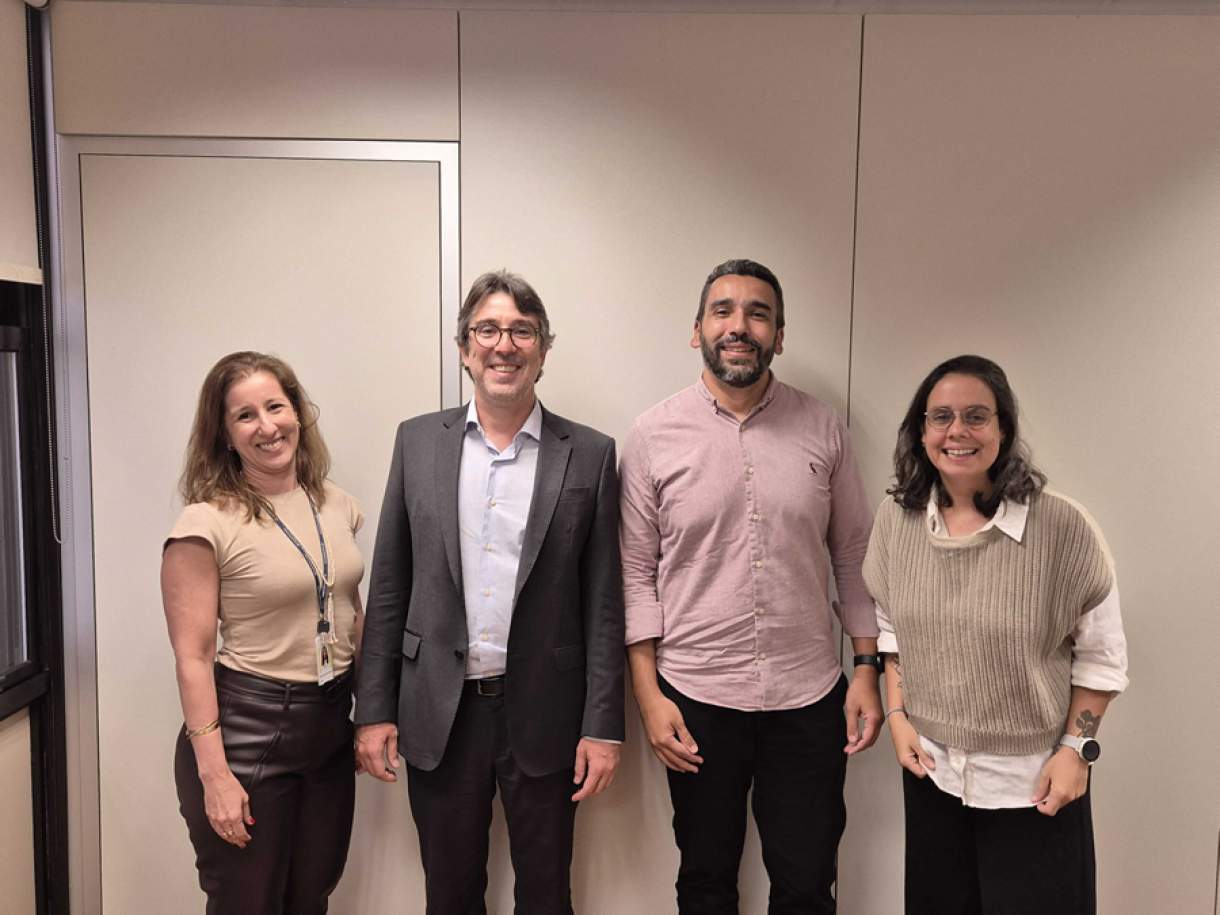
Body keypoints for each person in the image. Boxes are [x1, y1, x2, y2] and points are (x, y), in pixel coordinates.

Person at [354, 270, 625, 915]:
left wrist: (603, 726)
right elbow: (389, 584)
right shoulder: (418, 441)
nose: (504, 345)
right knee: (449, 896)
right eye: (488, 330)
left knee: (546, 896)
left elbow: (604, 605)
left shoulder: (589, 453)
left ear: (543, 349)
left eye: (521, 331)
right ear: (464, 348)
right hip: (438, 711)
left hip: (548, 711)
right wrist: (374, 709)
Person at [620, 258, 882, 914]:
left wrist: (868, 669)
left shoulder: (823, 426)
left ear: (779, 336)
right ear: (697, 330)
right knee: (705, 881)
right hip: (696, 696)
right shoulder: (652, 435)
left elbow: (853, 555)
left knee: (807, 885)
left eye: (758, 313)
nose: (739, 326)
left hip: (808, 696)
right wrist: (648, 696)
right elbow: (633, 572)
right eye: (724, 311)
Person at [863, 354, 1128, 915]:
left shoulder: (1063, 529)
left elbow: (1101, 659)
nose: (956, 431)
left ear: (1003, 429)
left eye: (976, 416)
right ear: (921, 432)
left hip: (1035, 788)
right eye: (941, 417)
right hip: (933, 779)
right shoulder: (896, 521)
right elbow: (892, 631)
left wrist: (1076, 752)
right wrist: (898, 715)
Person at [162, 351, 365, 914]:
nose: (267, 426)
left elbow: (350, 610)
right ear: (224, 435)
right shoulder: (205, 523)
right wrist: (214, 776)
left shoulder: (338, 505)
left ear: (298, 412)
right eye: (245, 415)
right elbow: (193, 656)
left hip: (329, 729)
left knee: (311, 899)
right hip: (248, 736)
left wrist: (371, 713)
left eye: (276, 407)